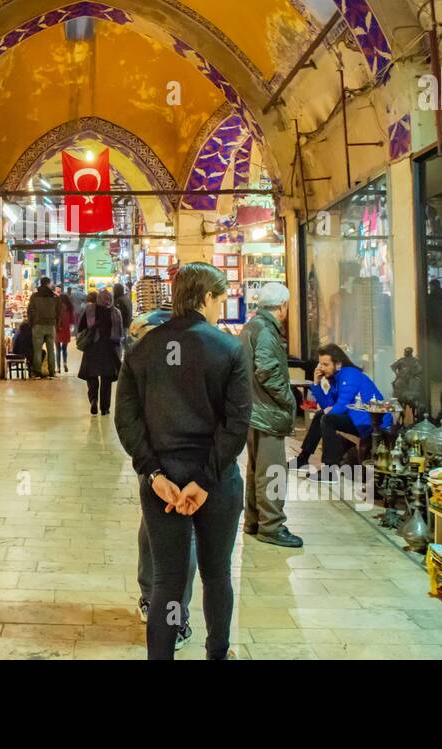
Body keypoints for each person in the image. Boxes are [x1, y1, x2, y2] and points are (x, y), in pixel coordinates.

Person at [115, 262, 250, 661]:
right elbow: (237, 422)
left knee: (167, 583)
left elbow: (126, 418)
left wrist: (152, 471)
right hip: (217, 482)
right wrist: (206, 481)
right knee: (216, 574)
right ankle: (217, 652)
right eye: (220, 301)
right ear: (206, 298)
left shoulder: (143, 349)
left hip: (164, 484)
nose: (219, 310)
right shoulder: (229, 349)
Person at [127, 280, 198, 649]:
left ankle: (154, 601)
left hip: (157, 455)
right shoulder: (203, 346)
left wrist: (146, 461)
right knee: (179, 538)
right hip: (182, 457)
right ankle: (174, 616)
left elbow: (129, 413)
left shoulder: (143, 344)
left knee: (156, 528)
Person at [240, 281, 302, 548]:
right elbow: (267, 370)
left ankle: (255, 520)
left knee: (257, 469)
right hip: (268, 412)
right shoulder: (266, 330)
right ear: (284, 306)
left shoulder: (252, 326)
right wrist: (289, 399)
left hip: (253, 410)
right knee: (273, 470)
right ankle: (272, 525)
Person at [293, 343, 392, 470]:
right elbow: (327, 405)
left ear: (338, 364)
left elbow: (341, 406)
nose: (321, 368)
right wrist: (316, 383)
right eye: (320, 364)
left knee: (327, 419)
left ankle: (329, 470)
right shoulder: (335, 378)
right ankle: (302, 459)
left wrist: (328, 411)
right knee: (322, 416)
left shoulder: (350, 375)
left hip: (372, 423)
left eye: (326, 364)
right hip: (357, 419)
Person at [78, 289, 123, 415]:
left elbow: (81, 327)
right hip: (109, 349)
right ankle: (105, 408)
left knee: (91, 377)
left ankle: (93, 399)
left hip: (92, 347)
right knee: (106, 380)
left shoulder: (90, 310)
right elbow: (119, 334)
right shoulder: (115, 312)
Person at [26, 277, 60, 377]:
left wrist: (31, 323)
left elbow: (30, 310)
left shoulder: (34, 296)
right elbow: (59, 312)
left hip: (38, 325)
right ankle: (52, 371)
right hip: (51, 325)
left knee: (37, 350)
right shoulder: (54, 297)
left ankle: (37, 371)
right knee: (51, 350)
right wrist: (56, 323)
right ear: (48, 284)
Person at [55, 289, 74, 373]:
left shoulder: (56, 308)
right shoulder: (69, 308)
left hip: (57, 330)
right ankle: (65, 363)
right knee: (64, 349)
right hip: (66, 330)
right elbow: (72, 320)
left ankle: (58, 368)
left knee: (57, 349)